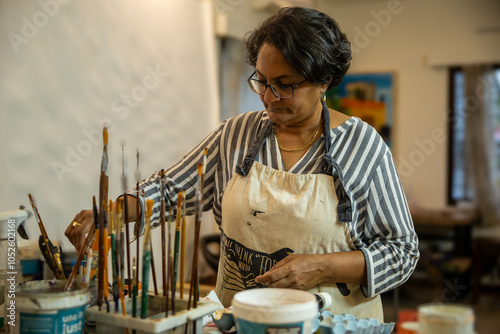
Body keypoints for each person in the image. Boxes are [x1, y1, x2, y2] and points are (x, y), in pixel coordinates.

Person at [65, 7, 419, 321]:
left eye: (284, 85)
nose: (267, 96)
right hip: (240, 321)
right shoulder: (236, 134)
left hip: (330, 325)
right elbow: (171, 189)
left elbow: (402, 252)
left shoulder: (362, 146)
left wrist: (321, 267)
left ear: (324, 81)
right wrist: (108, 215)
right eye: (262, 81)